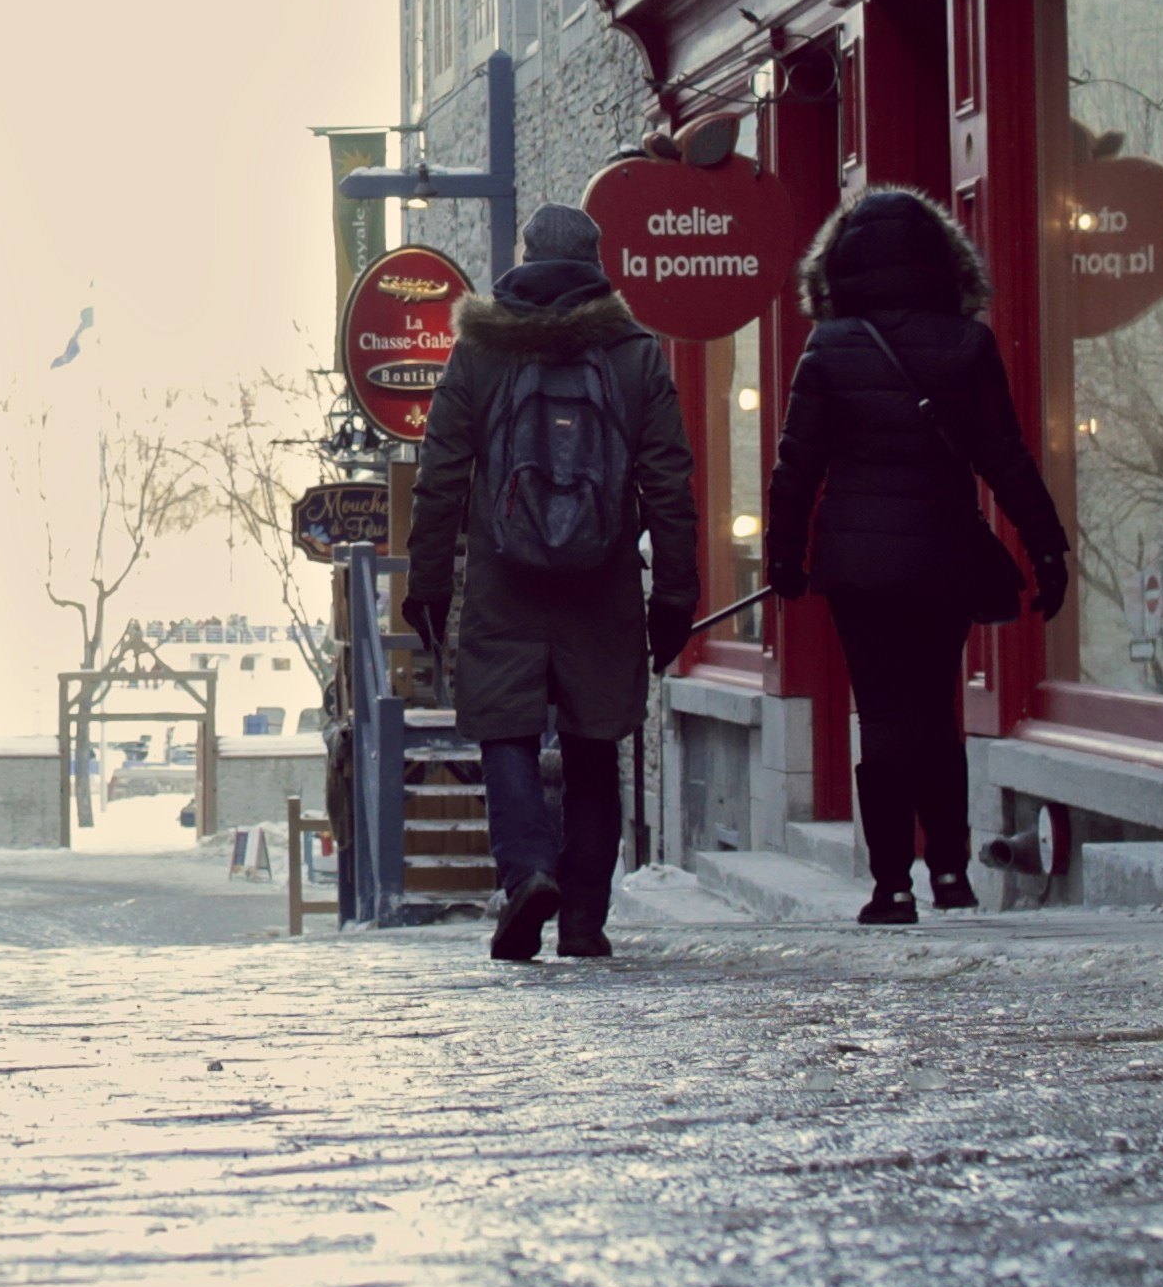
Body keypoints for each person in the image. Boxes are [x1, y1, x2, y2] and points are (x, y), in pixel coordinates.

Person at [763, 183, 1068, 928]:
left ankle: (890, 883)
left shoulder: (829, 348)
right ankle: (953, 874)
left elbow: (795, 465)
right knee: (937, 710)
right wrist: (1046, 546)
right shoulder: (967, 344)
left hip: (858, 567)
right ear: (942, 262)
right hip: (941, 554)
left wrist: (784, 558)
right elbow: (1006, 457)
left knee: (883, 715)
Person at [406, 203, 696, 961]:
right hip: (601, 584)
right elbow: (669, 481)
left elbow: (439, 475)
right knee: (595, 741)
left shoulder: (480, 350)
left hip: (507, 580)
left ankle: (527, 870)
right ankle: (583, 920)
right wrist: (675, 593)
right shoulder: (635, 354)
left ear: (526, 258)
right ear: (597, 262)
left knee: (505, 730)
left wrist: (430, 584)